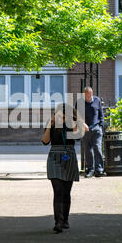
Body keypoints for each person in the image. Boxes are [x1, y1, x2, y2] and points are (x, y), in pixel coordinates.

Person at [42, 103, 88, 233]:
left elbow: (80, 134)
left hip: (69, 155)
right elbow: (45, 141)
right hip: (54, 157)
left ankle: (65, 220)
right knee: (58, 190)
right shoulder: (51, 123)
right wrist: (50, 126)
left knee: (66, 192)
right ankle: (58, 222)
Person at [77, 87, 105, 178]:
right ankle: (90, 170)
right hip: (85, 130)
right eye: (87, 95)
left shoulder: (97, 100)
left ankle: (99, 170)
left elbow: (101, 114)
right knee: (88, 151)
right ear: (84, 94)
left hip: (96, 128)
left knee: (97, 147)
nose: (89, 96)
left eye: (90, 94)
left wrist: (100, 125)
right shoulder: (79, 102)